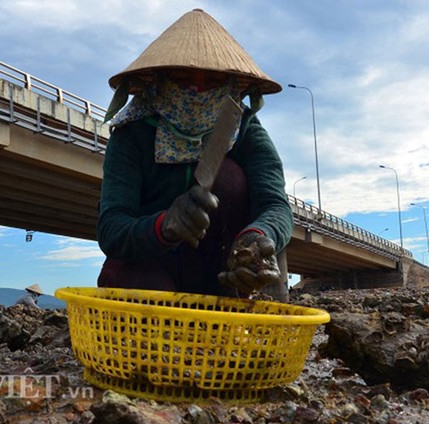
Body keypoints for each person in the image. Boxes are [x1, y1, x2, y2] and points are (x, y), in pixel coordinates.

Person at [97, 9, 293, 298]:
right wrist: (164, 226)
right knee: (151, 302)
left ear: (230, 84)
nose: (196, 87)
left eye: (211, 80)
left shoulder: (245, 130)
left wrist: (256, 238)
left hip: (222, 270)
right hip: (147, 268)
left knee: (229, 176)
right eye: (181, 75)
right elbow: (112, 227)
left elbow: (275, 204)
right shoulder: (132, 134)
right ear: (159, 78)